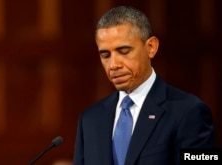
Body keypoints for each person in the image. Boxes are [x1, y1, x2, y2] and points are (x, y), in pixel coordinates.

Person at [73, 6, 215, 165]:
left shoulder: (188, 111)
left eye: (124, 51)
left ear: (151, 47)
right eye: (105, 55)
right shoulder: (90, 119)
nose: (113, 64)